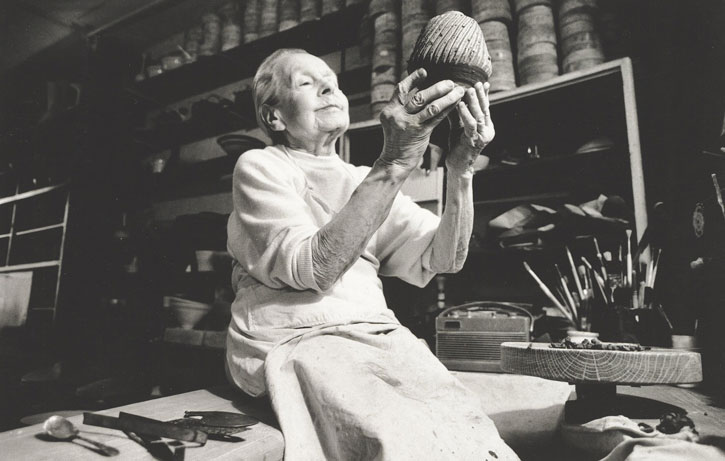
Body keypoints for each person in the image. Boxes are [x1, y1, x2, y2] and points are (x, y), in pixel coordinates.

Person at [226, 48, 519, 460]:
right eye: (307, 83)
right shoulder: (261, 167)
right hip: (297, 337)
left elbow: (444, 257)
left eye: (332, 80)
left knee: (471, 433)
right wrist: (396, 161)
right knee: (399, 440)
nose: (330, 87)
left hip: (375, 336)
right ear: (274, 116)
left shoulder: (362, 178)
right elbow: (315, 268)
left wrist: (460, 169)